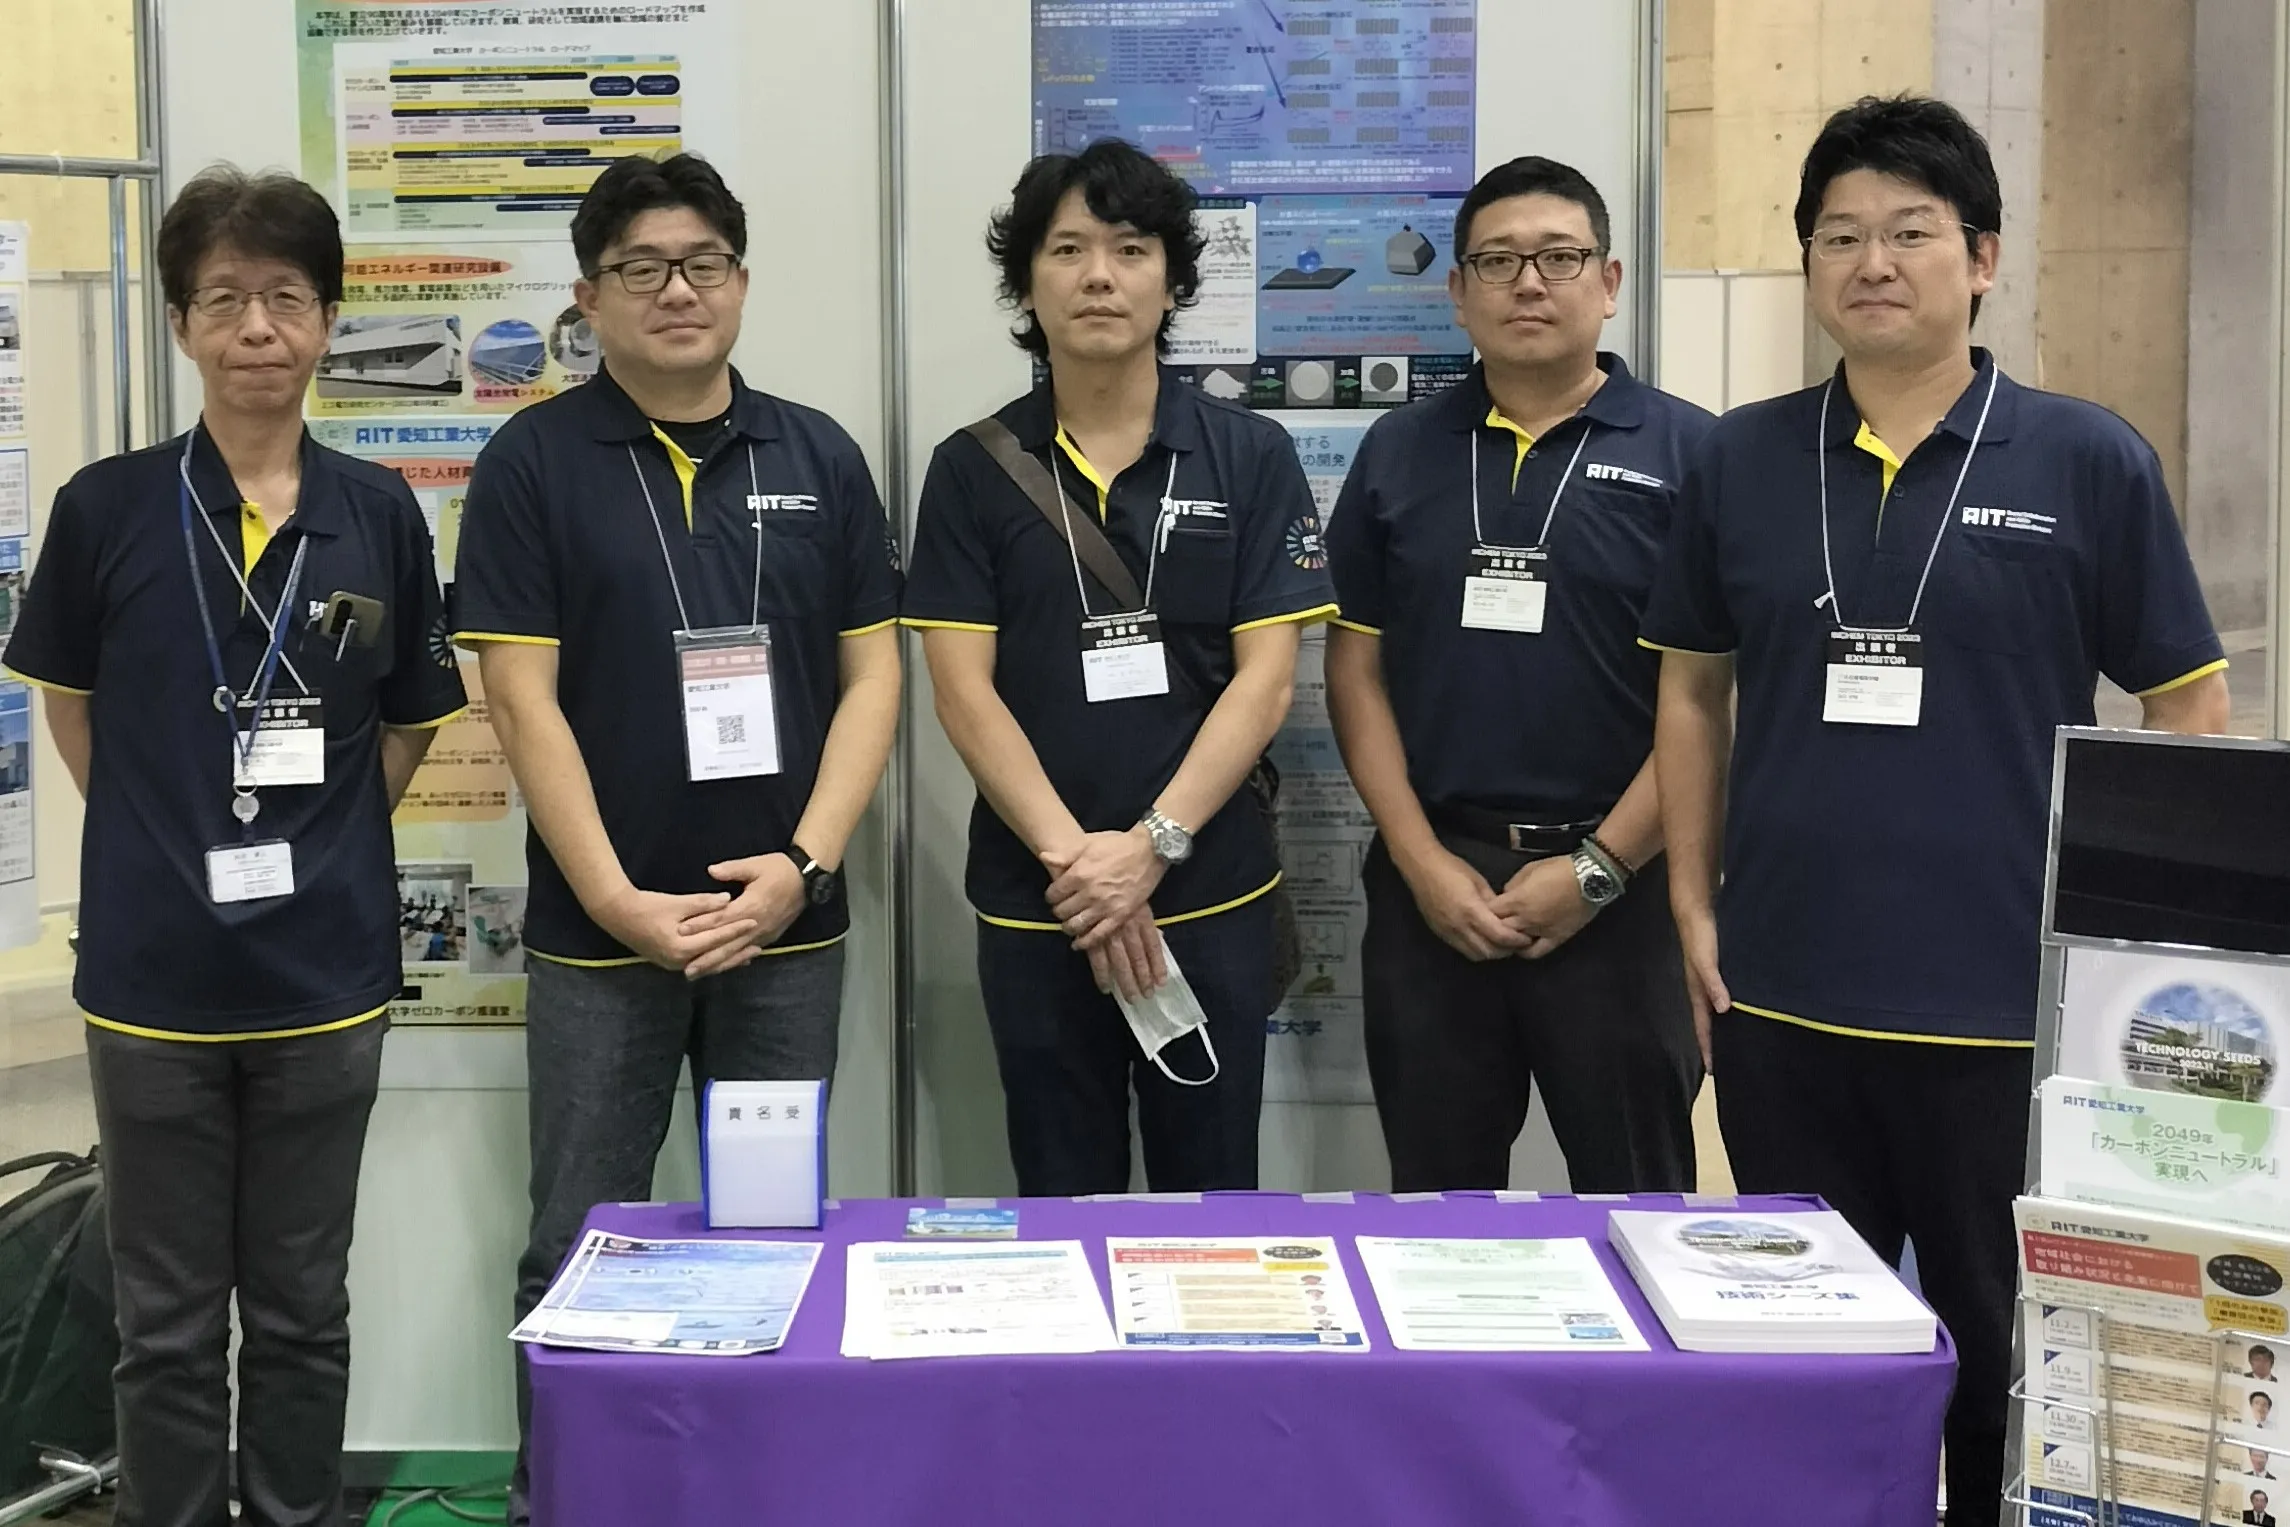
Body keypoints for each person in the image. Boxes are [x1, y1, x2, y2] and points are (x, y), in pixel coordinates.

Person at [1641, 95, 2227, 1524]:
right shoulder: (1738, 460)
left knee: (2002, 1363)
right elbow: (1691, 693)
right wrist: (1691, 905)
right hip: (1784, 1003)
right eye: (1838, 235)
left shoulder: (2083, 458)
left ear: (1982, 257)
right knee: (1807, 1359)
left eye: (1909, 232)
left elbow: (2188, 713)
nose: (1872, 262)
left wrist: (2124, 965)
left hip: (2003, 1016)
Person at [2, 167, 466, 1527]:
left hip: (325, 979)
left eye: (284, 297)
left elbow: (409, 718)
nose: (256, 326)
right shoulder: (106, 507)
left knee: (305, 1309)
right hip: (152, 983)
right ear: (181, 324)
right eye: (223, 299)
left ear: (327, 319)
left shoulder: (377, 511)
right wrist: (163, 835)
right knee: (162, 1323)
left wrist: (323, 838)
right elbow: (71, 703)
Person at [452, 152, 902, 1520]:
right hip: (604, 939)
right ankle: (561, 1498)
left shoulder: (817, 454)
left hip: (784, 934)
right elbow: (519, 697)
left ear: (742, 281)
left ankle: (749, 1492)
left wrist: (803, 867)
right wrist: (613, 896)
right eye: (640, 268)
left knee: (768, 1235)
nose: (677, 290)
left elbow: (874, 676)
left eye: (703, 262)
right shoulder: (532, 462)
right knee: (579, 1239)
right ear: (589, 298)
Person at [903, 138, 1335, 1195]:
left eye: (1131, 248)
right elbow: (961, 690)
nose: (1099, 275)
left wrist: (1150, 848)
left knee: (1211, 1203)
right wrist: (1083, 868)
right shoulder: (969, 470)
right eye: (1068, 249)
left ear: (1172, 280)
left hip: (1209, 889)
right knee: (1059, 1193)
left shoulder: (1249, 455)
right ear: (1026, 282)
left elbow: (1266, 682)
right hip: (1039, 899)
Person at [1324, 156, 1711, 1193]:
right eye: (1497, 262)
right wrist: (1419, 862)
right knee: (1435, 1208)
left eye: (1559, 257)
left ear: (1609, 281)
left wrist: (1597, 870)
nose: (1528, 282)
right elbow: (1354, 670)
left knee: (1637, 1201)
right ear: (1458, 292)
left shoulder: (1695, 456)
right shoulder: (1398, 452)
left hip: (1622, 891)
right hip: (1435, 890)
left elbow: (1715, 699)